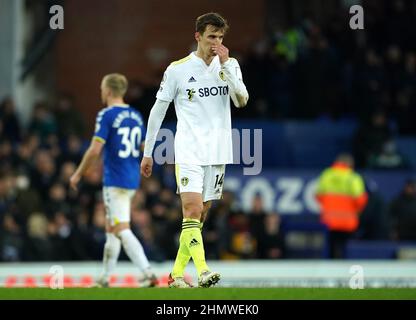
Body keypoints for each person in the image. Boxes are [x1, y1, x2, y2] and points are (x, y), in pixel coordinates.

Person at [141, 12, 248, 288]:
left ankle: (176, 275)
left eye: (221, 37)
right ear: (198, 36)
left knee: (199, 217)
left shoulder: (230, 64)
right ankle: (202, 271)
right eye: (212, 36)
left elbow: (242, 100)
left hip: (218, 152)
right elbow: (158, 110)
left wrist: (225, 67)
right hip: (188, 150)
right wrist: (148, 151)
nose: (216, 42)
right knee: (191, 209)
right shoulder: (177, 69)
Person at [70, 73, 157, 287]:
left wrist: (79, 173)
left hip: (115, 179)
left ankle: (147, 272)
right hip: (131, 177)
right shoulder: (136, 115)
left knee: (120, 228)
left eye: (102, 89)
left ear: (108, 90)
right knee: (111, 228)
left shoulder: (106, 115)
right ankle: (105, 277)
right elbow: (144, 147)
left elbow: (94, 149)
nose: (101, 92)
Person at [315, 153, 368, 259]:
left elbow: (318, 196)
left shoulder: (327, 175)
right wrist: (355, 210)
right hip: (348, 221)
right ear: (349, 163)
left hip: (329, 220)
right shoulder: (353, 177)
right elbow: (360, 200)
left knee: (331, 248)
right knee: (346, 250)